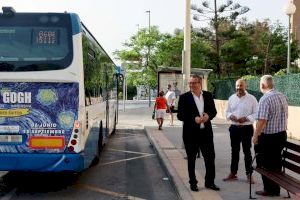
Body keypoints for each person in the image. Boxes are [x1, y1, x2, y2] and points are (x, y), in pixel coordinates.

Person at [177, 74, 219, 192]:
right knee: (191, 159)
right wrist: (193, 119)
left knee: (210, 158)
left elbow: (213, 111)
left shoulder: (208, 95)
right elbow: (180, 115)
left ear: (200, 83)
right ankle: (193, 183)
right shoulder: (184, 97)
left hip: (206, 133)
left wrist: (208, 116)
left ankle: (210, 182)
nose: (191, 85)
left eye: (194, 82)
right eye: (190, 83)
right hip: (190, 134)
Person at [252, 75, 288, 197]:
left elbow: (262, 121)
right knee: (276, 163)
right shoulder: (281, 95)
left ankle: (269, 189)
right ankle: (275, 189)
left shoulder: (265, 99)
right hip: (281, 135)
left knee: (264, 164)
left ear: (262, 85)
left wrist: (255, 136)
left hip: (269, 138)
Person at [223, 79, 258, 184]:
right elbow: (227, 112)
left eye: (241, 85)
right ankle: (233, 173)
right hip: (234, 128)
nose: (239, 87)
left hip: (246, 129)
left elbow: (257, 113)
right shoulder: (231, 98)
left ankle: (249, 174)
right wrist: (231, 116)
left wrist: (246, 118)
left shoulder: (252, 98)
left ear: (245, 86)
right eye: (237, 86)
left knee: (247, 152)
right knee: (234, 151)